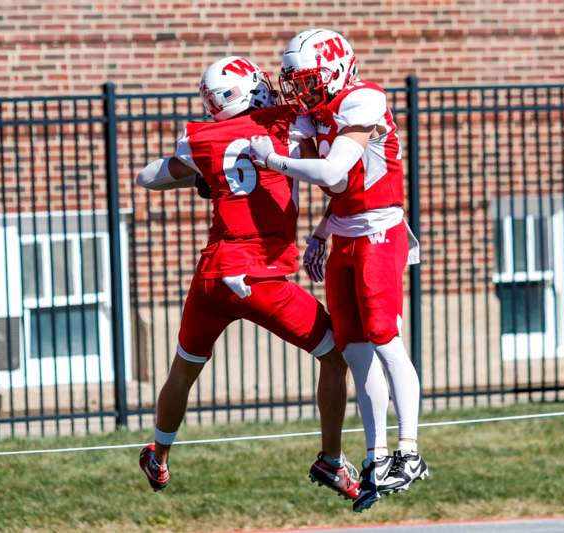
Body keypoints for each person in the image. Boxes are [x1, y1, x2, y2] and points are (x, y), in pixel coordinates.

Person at [134, 56, 360, 500]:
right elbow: (327, 167)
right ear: (247, 89)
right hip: (260, 278)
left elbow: (147, 176)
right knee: (334, 356)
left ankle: (158, 457)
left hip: (213, 276)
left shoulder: (200, 139)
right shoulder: (287, 124)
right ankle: (331, 461)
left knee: (183, 370)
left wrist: (206, 177)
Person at [249, 29, 427, 512]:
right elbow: (335, 180)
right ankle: (377, 455)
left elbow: (333, 172)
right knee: (354, 349)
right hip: (346, 232)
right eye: (296, 82)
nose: (301, 91)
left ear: (336, 70)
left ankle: (409, 450)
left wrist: (272, 159)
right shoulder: (317, 111)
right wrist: (323, 231)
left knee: (385, 339)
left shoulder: (363, 99)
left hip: (378, 233)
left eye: (308, 80)